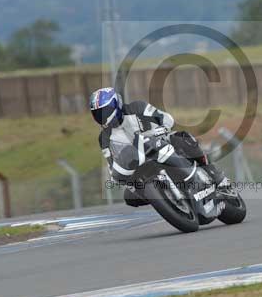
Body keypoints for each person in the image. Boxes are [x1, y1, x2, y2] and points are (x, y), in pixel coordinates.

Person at [89, 87, 228, 207]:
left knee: (181, 137)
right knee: (129, 196)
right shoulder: (104, 138)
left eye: (105, 111)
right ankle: (164, 199)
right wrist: (118, 176)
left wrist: (162, 128)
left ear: (115, 104)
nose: (102, 116)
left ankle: (213, 173)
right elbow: (111, 163)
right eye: (97, 113)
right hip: (139, 163)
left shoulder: (137, 107)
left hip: (161, 143)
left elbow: (166, 118)